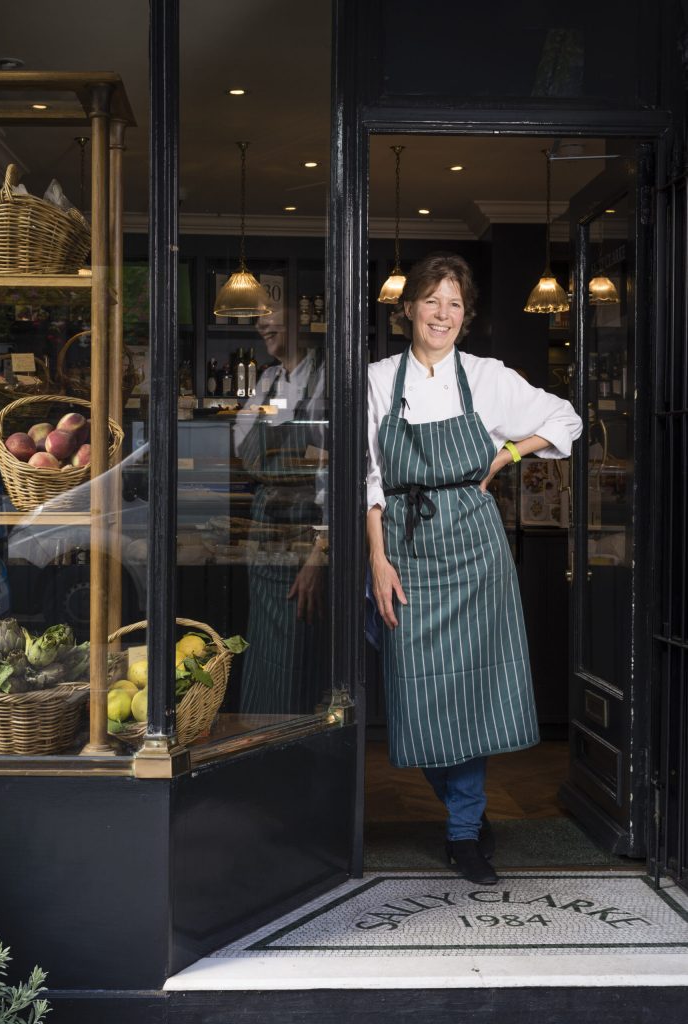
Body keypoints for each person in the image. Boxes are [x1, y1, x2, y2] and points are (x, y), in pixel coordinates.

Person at [366, 252, 582, 884]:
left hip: (476, 551)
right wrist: (376, 561)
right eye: (432, 300)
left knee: (467, 695)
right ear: (407, 309)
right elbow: (367, 477)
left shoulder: (486, 376)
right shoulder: (378, 379)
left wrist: (506, 454)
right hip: (403, 549)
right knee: (417, 695)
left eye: (455, 304)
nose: (443, 314)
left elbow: (563, 418)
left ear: (466, 315)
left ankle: (464, 830)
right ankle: (468, 810)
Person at [233, 309, 328, 714]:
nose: (262, 325)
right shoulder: (269, 380)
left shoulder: (326, 377)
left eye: (272, 315)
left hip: (305, 528)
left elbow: (333, 466)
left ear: (302, 320)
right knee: (263, 643)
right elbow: (243, 446)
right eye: (258, 319)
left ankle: (291, 750)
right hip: (266, 523)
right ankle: (258, 745)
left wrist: (319, 555)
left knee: (297, 650)